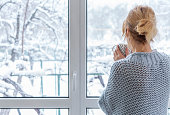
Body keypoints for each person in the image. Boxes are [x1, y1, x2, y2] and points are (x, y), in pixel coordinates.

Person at [98, 5, 170, 115]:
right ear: (152, 31)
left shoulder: (120, 68)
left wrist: (122, 63)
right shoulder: (167, 62)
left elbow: (106, 105)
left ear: (127, 32)